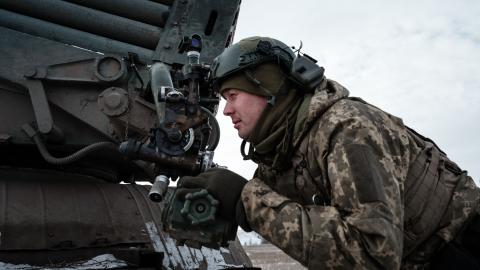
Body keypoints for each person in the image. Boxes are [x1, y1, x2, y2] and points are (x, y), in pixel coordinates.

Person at [177, 36, 480, 269]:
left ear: (267, 88)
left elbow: (373, 254)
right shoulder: (284, 150)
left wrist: (248, 202)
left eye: (232, 96)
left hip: (461, 249)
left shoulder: (347, 130)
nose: (227, 110)